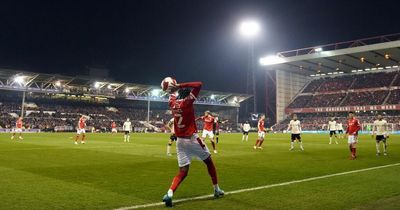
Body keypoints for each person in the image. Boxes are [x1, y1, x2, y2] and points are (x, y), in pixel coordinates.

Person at [163, 81, 224, 207]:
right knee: (209, 163)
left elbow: (171, 95)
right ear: (189, 95)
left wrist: (171, 88)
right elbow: (199, 84)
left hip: (180, 142)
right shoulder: (187, 102)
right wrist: (179, 85)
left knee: (183, 171)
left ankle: (169, 193)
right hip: (192, 139)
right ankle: (216, 189)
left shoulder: (172, 104)